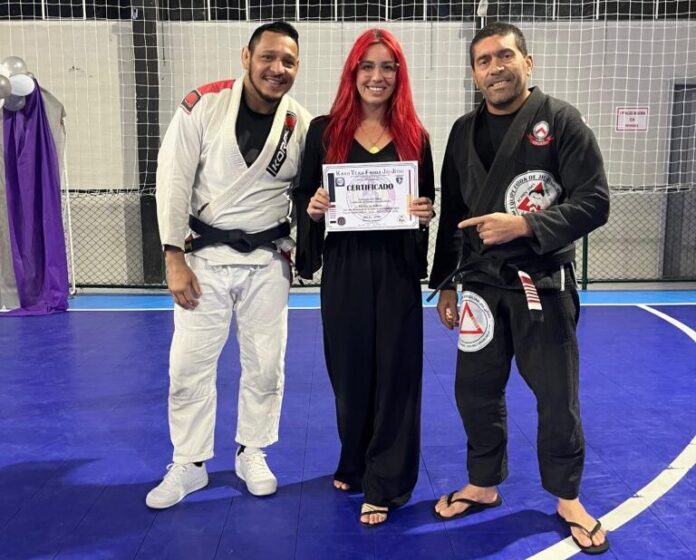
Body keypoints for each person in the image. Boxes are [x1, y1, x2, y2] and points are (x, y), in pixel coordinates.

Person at [429, 22, 610, 555]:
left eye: (505, 56)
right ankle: (483, 483)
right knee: (475, 392)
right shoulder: (463, 130)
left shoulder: (561, 121)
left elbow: (595, 201)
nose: (496, 68)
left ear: (527, 63)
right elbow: (454, 213)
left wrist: (526, 225)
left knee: (557, 397)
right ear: (474, 74)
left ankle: (567, 497)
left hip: (542, 286)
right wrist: (445, 284)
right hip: (479, 288)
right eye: (484, 61)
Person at [146, 21, 312, 509]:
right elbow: (173, 180)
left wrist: (308, 249)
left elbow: (308, 195)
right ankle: (189, 462)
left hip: (267, 261)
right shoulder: (203, 104)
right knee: (188, 365)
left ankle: (252, 451)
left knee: (265, 365)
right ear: (246, 57)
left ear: (297, 67)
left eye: (288, 61)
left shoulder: (300, 123)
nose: (277, 69)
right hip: (203, 260)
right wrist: (172, 255)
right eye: (268, 57)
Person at [294, 28, 435, 526]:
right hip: (345, 267)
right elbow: (303, 196)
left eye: (387, 67)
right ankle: (354, 459)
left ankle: (386, 482)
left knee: (397, 374)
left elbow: (425, 206)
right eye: (368, 66)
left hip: (395, 269)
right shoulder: (324, 131)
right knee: (349, 373)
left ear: (399, 75)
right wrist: (313, 208)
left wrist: (424, 213)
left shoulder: (416, 137)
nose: (378, 76)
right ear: (353, 73)